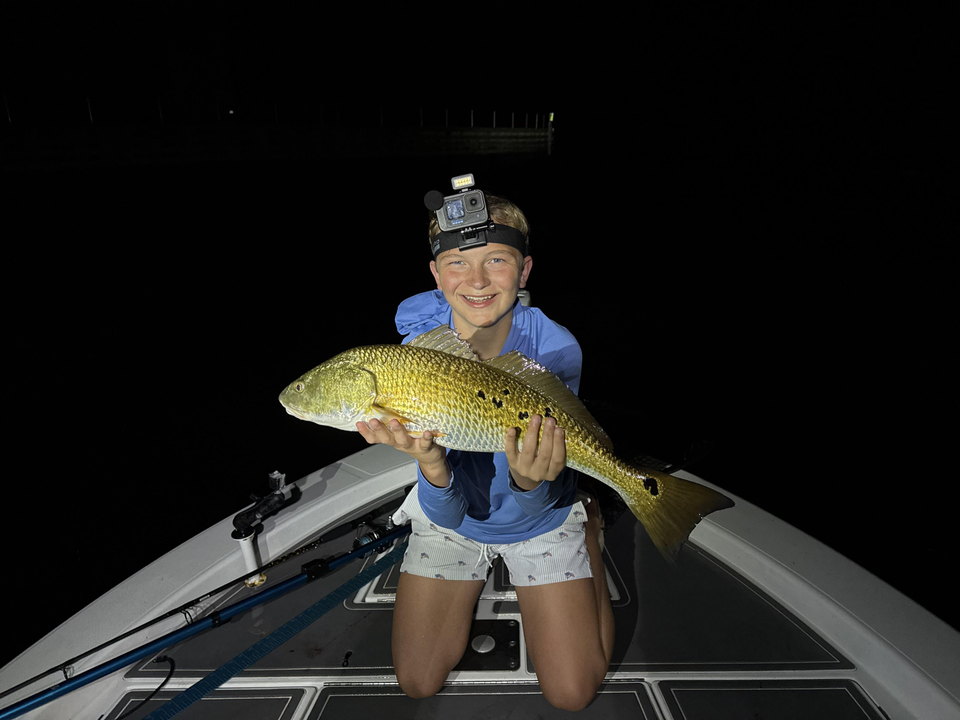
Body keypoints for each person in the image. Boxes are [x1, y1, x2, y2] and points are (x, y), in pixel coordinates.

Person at [356, 193, 613, 712]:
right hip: (453, 516)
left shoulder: (557, 350)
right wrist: (429, 463)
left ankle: (590, 526)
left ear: (524, 270)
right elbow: (446, 509)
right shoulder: (416, 357)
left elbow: (540, 498)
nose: (476, 281)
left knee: (572, 692)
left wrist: (529, 482)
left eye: (496, 260)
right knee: (417, 681)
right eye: (458, 264)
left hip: (542, 516)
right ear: (436, 273)